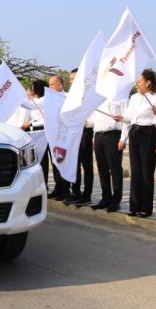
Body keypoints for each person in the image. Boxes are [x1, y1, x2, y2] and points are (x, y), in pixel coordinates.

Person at [118, 69, 156, 217]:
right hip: (135, 133)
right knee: (135, 171)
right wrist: (121, 121)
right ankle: (134, 206)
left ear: (148, 82)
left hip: (148, 134)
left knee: (146, 172)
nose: (137, 84)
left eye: (139, 82)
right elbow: (129, 118)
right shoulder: (133, 98)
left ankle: (146, 208)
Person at [63, 69, 96, 207]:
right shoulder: (71, 96)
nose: (71, 82)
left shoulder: (90, 95)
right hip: (73, 132)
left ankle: (86, 195)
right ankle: (75, 192)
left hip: (85, 132)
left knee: (86, 165)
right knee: (74, 164)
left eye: (74, 79)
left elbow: (96, 117)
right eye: (70, 79)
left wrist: (87, 122)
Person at [90, 96, 126, 212]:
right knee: (102, 169)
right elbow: (96, 119)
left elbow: (126, 120)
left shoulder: (121, 97)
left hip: (113, 135)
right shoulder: (99, 98)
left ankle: (116, 200)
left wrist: (123, 139)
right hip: (99, 136)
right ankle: (106, 197)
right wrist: (93, 138)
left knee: (115, 169)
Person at [46, 74, 71, 200]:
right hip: (52, 135)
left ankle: (66, 189)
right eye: (49, 84)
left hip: (63, 136)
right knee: (55, 162)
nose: (49, 87)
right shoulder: (49, 99)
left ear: (60, 85)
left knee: (63, 161)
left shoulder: (67, 98)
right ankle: (58, 187)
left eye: (52, 84)